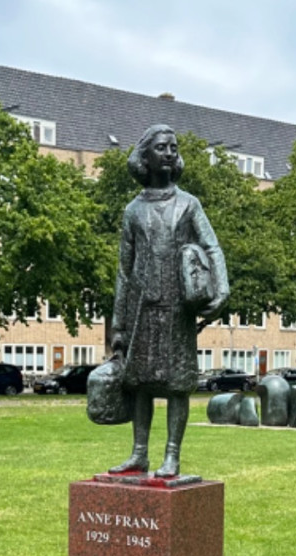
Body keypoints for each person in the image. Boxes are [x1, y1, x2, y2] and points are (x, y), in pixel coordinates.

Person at [106, 125, 229, 478]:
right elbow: (124, 272)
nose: (170, 153)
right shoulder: (133, 210)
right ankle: (139, 453)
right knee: (139, 382)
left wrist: (221, 289)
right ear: (146, 155)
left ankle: (172, 455)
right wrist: (119, 325)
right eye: (161, 147)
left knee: (177, 384)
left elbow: (212, 247)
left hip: (177, 310)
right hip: (142, 308)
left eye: (173, 147)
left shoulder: (189, 204)